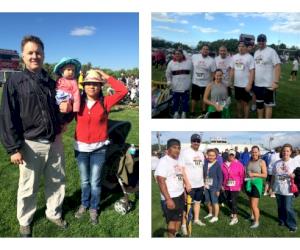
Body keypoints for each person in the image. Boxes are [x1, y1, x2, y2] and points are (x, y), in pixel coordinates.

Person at [0, 35, 72, 237]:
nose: (35, 56)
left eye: (38, 52)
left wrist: (63, 116)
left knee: (57, 180)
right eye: (30, 52)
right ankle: (25, 220)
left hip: (54, 141)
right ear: (23, 55)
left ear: (43, 55)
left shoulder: (51, 82)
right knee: (28, 186)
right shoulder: (14, 81)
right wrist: (13, 148)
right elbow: (7, 116)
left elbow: (54, 109)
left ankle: (54, 212)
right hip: (30, 144)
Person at [74, 69, 128, 225]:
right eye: (89, 84)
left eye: (96, 84)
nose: (92, 87)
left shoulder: (105, 102)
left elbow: (123, 90)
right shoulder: (77, 101)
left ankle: (94, 208)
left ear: (100, 86)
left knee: (95, 182)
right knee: (85, 181)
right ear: (84, 86)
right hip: (81, 149)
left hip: (99, 149)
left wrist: (104, 75)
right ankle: (84, 204)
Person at [155, 139, 189, 237]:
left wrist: (184, 194)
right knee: (172, 222)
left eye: (178, 148)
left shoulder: (177, 160)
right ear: (168, 149)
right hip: (171, 197)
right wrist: (168, 199)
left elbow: (180, 178)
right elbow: (161, 181)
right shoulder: (164, 161)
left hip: (180, 194)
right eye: (174, 147)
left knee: (178, 218)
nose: (177, 150)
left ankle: (176, 234)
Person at [179, 134, 206, 236]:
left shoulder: (201, 154)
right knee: (185, 207)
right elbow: (181, 169)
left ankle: (196, 219)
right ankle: (183, 225)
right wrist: (186, 183)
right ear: (191, 141)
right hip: (189, 185)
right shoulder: (184, 153)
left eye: (198, 141)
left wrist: (203, 182)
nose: (196, 142)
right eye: (194, 140)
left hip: (199, 184)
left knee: (197, 202)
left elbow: (201, 168)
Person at [271, 144, 298, 232]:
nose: (285, 152)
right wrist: (271, 187)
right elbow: (273, 176)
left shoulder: (294, 162)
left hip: (289, 189)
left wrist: (295, 174)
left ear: (290, 152)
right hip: (278, 188)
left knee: (288, 208)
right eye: (284, 150)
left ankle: (292, 225)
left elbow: (299, 172)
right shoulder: (277, 163)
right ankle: (282, 220)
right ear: (281, 152)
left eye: (287, 151)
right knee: (280, 206)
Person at [253, 34, 281, 118]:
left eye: (263, 40)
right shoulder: (256, 52)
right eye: (259, 40)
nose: (261, 42)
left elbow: (277, 66)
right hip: (258, 84)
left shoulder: (271, 51)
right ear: (257, 42)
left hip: (268, 85)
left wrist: (276, 82)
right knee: (259, 104)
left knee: (268, 105)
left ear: (266, 41)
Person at [230, 40, 254, 118]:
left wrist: (249, 84)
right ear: (237, 47)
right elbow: (232, 70)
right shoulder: (234, 57)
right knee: (238, 101)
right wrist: (231, 81)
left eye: (243, 46)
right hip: (237, 84)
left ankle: (245, 118)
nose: (241, 48)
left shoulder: (249, 57)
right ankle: (239, 116)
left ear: (246, 47)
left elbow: (252, 71)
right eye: (239, 46)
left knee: (246, 103)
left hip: (246, 85)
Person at [166, 49, 193, 119]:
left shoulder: (189, 62)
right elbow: (168, 73)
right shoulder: (171, 63)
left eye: (179, 54)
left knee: (185, 101)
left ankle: (184, 113)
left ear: (182, 54)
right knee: (175, 101)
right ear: (174, 55)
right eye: (176, 54)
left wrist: (191, 81)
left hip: (185, 86)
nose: (177, 55)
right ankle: (176, 113)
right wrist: (168, 81)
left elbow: (192, 71)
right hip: (175, 87)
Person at [245, 146, 267, 228]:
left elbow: (265, 175)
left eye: (256, 152)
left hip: (257, 184)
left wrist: (254, 174)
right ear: (251, 152)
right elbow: (246, 172)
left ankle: (256, 222)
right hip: (248, 183)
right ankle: (252, 216)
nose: (254, 153)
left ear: (259, 152)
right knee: (250, 203)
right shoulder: (249, 161)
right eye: (253, 152)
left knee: (254, 205)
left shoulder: (262, 162)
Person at [191, 45, 216, 117]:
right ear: (201, 50)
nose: (205, 50)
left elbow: (213, 72)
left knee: (205, 98)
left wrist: (212, 82)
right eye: (204, 49)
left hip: (206, 83)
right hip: (195, 82)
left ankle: (203, 111)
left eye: (207, 49)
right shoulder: (194, 57)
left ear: (209, 51)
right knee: (194, 98)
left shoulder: (211, 60)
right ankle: (192, 112)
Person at [221, 150, 245, 225]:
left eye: (233, 155)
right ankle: (232, 211)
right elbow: (221, 176)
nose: (231, 156)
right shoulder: (223, 165)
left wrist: (241, 185)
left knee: (234, 201)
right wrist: (221, 185)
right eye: (230, 155)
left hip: (235, 186)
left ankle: (235, 217)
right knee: (228, 200)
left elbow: (242, 176)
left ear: (234, 156)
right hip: (226, 186)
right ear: (227, 155)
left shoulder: (239, 164)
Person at [203, 148, 223, 223]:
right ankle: (210, 213)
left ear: (215, 156)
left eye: (213, 155)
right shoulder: (205, 163)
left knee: (214, 201)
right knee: (207, 201)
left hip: (214, 186)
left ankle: (216, 216)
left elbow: (220, 178)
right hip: (206, 185)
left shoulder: (217, 165)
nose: (211, 157)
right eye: (209, 155)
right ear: (207, 156)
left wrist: (218, 189)